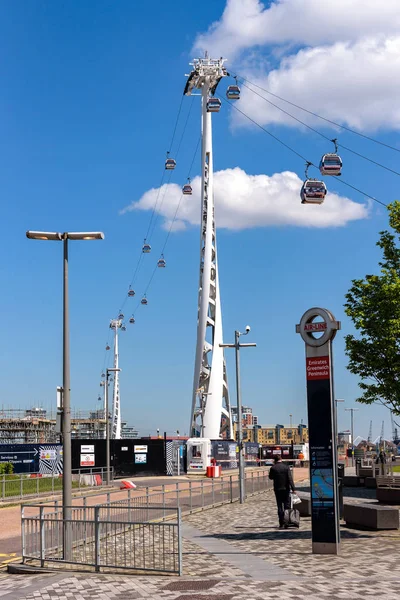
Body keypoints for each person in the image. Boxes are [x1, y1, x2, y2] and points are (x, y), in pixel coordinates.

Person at [269, 454, 295, 529]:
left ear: (274, 460)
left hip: (277, 489)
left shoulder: (273, 468)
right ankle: (287, 522)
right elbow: (290, 479)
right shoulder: (286, 467)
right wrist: (293, 489)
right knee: (287, 505)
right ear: (281, 459)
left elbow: (271, 477)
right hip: (286, 489)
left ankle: (281, 523)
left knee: (279, 506)